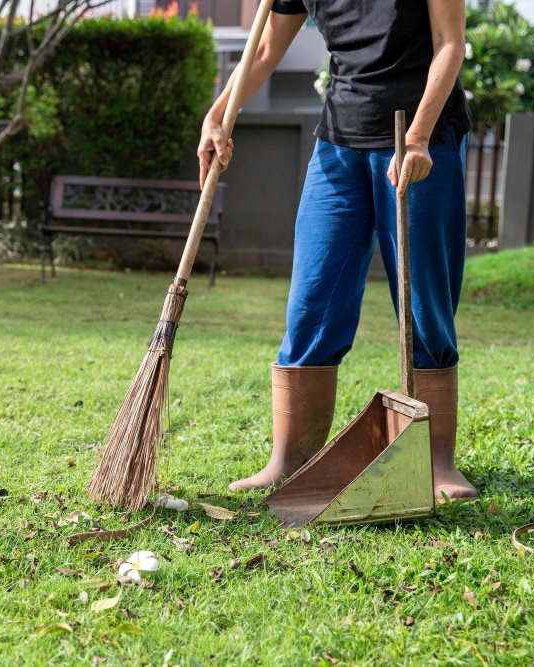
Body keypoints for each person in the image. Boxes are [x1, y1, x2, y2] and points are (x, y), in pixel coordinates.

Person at [199, 0, 477, 501]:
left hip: (421, 137)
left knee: (424, 303)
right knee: (313, 298)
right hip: (339, 143)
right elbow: (263, 49)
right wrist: (218, 115)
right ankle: (291, 458)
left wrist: (417, 138)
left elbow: (450, 45)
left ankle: (436, 461)